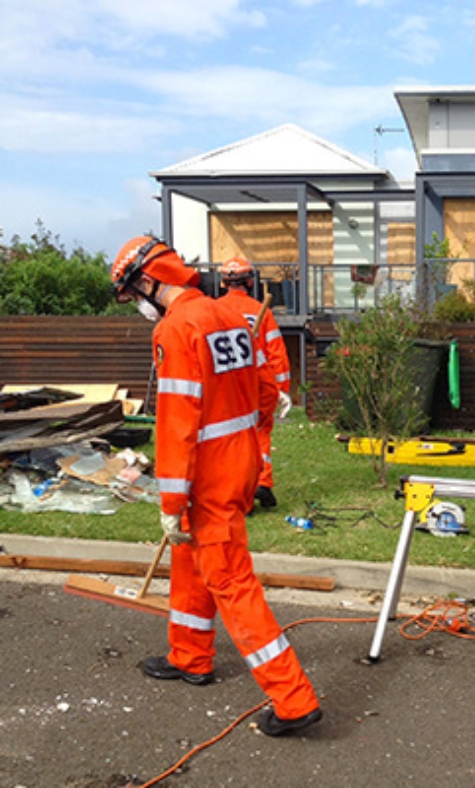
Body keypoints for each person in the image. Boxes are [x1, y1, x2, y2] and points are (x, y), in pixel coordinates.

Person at [110, 236, 322, 737]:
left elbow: (178, 422)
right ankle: (190, 655)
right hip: (242, 462)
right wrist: (263, 422)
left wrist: (170, 498)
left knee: (229, 578)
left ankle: (293, 699)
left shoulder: (176, 328)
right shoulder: (231, 315)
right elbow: (266, 386)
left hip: (208, 475)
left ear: (147, 281)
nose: (136, 303)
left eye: (132, 293)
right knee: (189, 558)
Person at [218, 256, 293, 510]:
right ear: (250, 281)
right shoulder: (260, 311)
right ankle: (260, 482)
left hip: (226, 385)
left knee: (231, 438)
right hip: (258, 384)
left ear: (223, 283)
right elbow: (276, 353)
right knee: (260, 432)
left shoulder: (213, 312)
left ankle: (242, 492)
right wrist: (282, 389)